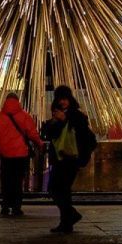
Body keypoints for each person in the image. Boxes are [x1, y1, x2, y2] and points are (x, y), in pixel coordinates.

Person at [40, 85, 96, 233]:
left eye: (65, 98)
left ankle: (68, 220)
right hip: (59, 158)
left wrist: (64, 119)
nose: (63, 102)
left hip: (71, 158)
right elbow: (50, 135)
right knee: (57, 189)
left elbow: (83, 135)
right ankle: (68, 218)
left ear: (70, 99)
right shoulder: (56, 115)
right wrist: (55, 121)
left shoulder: (77, 116)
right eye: (60, 99)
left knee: (60, 189)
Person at [0, 92, 43, 216]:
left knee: (6, 181)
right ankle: (17, 207)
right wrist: (40, 144)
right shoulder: (24, 116)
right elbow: (32, 134)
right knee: (18, 181)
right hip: (20, 154)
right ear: (18, 101)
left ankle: (5, 206)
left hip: (5, 155)